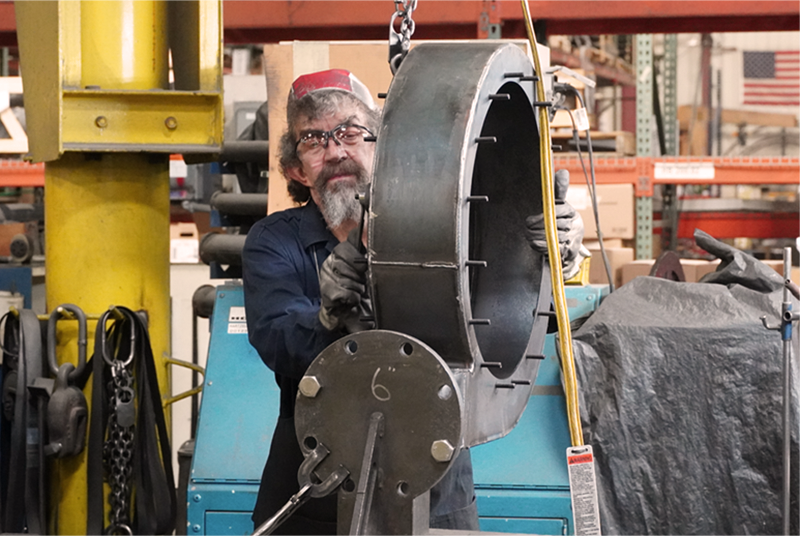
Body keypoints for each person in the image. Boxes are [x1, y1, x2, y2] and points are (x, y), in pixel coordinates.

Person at [242, 68, 584, 535]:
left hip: (437, 484)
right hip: (315, 490)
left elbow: (517, 321)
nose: (337, 151)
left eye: (350, 132)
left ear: (383, 146)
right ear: (295, 170)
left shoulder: (453, 226)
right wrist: (328, 319)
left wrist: (550, 265)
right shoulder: (273, 242)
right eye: (314, 140)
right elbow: (276, 340)